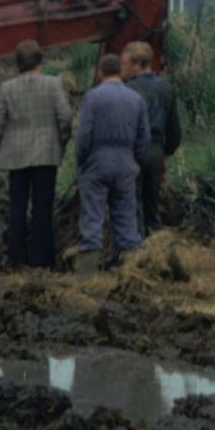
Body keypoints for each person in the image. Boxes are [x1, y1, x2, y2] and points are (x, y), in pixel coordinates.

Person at [0, 39, 74, 269]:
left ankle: (16, 258)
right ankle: (42, 260)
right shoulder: (53, 84)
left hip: (15, 156)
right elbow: (65, 117)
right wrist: (61, 140)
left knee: (17, 206)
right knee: (42, 207)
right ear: (40, 61)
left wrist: (4, 141)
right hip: (46, 153)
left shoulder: (7, 88)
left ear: (18, 63)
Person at [74, 52, 150, 272]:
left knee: (92, 217)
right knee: (127, 217)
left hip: (97, 160)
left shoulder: (93, 97)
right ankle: (132, 269)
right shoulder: (135, 98)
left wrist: (82, 161)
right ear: (120, 71)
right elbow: (144, 137)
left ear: (100, 72)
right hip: (126, 160)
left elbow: (83, 136)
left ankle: (88, 271)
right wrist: (135, 161)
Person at [123, 41, 184, 235]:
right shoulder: (165, 87)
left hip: (134, 151)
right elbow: (174, 127)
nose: (123, 68)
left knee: (135, 202)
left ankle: (137, 250)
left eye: (125, 63)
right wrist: (166, 152)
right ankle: (157, 243)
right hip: (156, 151)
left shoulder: (129, 89)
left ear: (135, 64)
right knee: (152, 203)